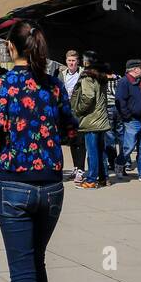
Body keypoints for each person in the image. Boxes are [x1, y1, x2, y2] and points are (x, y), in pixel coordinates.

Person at [0, 19, 76, 282]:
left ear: (10, 47)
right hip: (51, 184)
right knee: (38, 261)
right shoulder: (54, 85)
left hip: (15, 186)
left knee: (22, 274)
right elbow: (71, 130)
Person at [70, 54, 110, 188]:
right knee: (100, 150)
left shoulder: (87, 77)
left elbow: (88, 97)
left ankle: (92, 179)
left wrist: (79, 110)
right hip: (101, 118)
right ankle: (104, 178)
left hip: (91, 118)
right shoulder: (101, 76)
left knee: (92, 151)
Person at [115, 59, 141, 183]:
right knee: (128, 147)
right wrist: (127, 116)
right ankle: (119, 163)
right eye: (140, 68)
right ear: (134, 69)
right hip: (132, 121)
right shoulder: (124, 82)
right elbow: (120, 101)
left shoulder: (140, 82)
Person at [60, 50, 87, 183]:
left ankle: (81, 169)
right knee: (72, 141)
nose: (71, 63)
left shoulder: (83, 75)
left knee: (80, 141)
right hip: (67, 113)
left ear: (78, 62)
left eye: (74, 61)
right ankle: (76, 167)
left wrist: (81, 108)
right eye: (69, 60)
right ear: (66, 61)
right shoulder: (61, 75)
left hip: (79, 113)